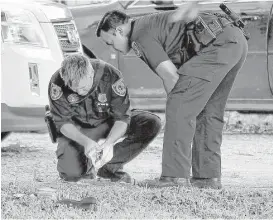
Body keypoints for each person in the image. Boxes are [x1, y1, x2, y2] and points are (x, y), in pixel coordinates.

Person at [96, 2, 248, 189]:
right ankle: (207, 179)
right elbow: (173, 79)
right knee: (208, 112)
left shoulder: (139, 36)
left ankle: (174, 178)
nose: (113, 49)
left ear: (118, 30)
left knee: (179, 107)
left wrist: (178, 106)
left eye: (110, 42)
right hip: (234, 40)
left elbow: (170, 76)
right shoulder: (148, 26)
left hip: (217, 45)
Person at [48, 54, 161, 183]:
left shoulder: (111, 75)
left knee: (150, 123)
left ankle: (108, 166)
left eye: (84, 87)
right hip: (79, 127)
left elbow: (122, 118)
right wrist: (86, 143)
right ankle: (86, 165)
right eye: (74, 89)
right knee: (71, 174)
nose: (79, 92)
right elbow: (63, 122)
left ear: (91, 74)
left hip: (108, 121)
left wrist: (108, 144)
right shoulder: (57, 82)